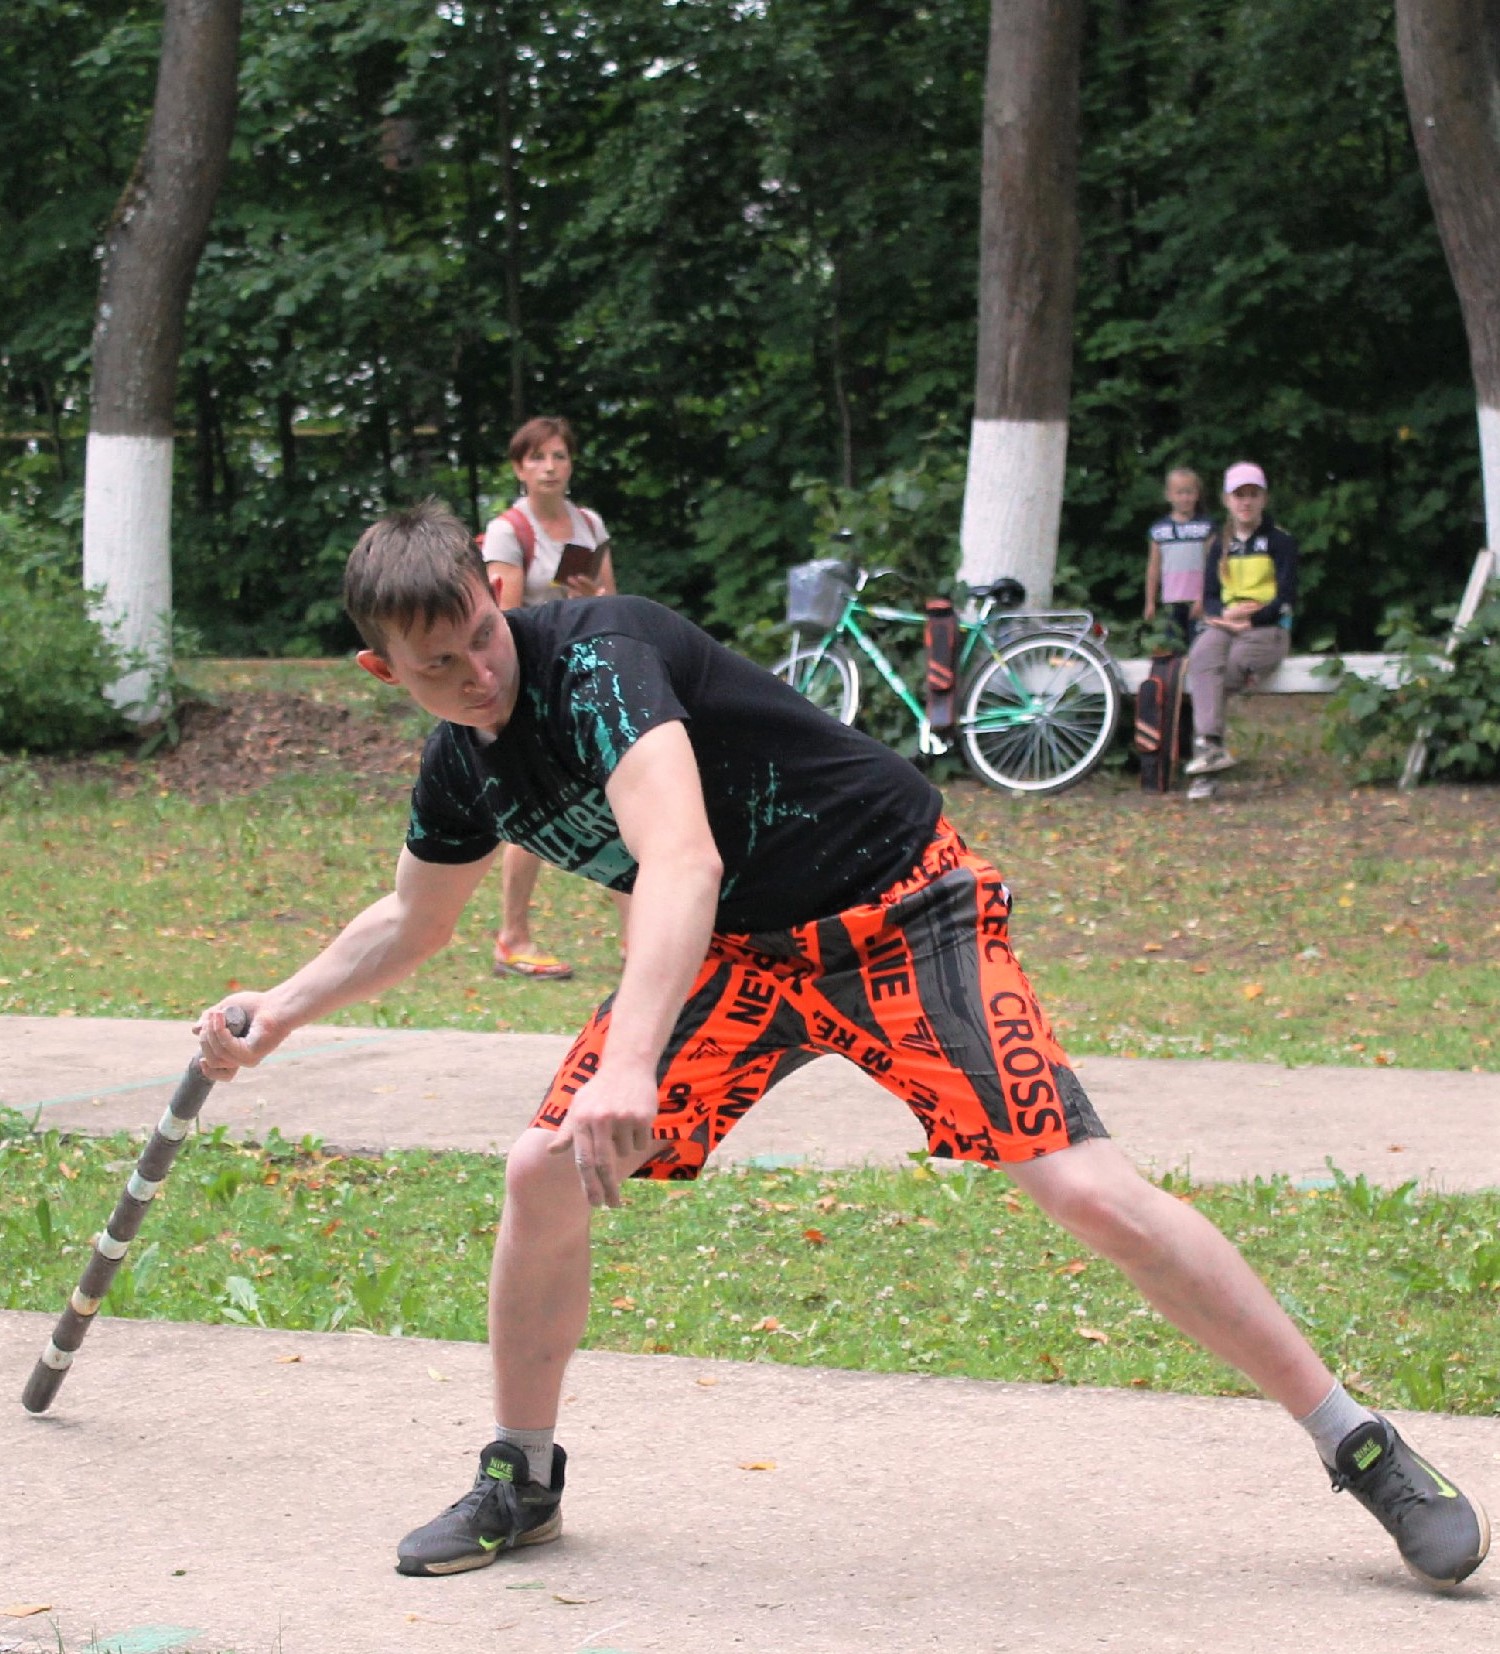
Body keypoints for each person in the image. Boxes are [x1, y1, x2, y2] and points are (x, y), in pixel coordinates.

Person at [195, 500, 1489, 1590]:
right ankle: (519, 1475)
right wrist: (286, 1004)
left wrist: (634, 1061)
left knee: (1084, 1186)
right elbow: (417, 918)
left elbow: (681, 855)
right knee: (540, 1166)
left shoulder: (601, 654)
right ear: (383, 672)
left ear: (494, 591)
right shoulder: (462, 769)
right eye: (436, 666)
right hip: (742, 957)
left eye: (480, 634)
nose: (476, 672)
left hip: (899, 905)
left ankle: (1357, 1440)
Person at [480, 416, 622, 981]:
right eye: (537, 458)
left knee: (617, 802)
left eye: (559, 456)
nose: (549, 468)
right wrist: (564, 600)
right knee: (536, 809)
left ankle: (641, 943)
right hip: (531, 682)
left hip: (586, 675)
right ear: (520, 467)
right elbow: (502, 617)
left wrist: (590, 596)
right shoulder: (507, 531)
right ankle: (512, 938)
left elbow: (614, 597)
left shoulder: (589, 523)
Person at [1183, 462, 1297, 783]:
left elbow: (1286, 596)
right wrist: (1225, 617)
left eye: (1252, 495)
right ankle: (1210, 748)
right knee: (1202, 658)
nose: (1245, 502)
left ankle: (1206, 757)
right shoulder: (1219, 544)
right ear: (1226, 500)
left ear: (1263, 499)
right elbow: (1209, 594)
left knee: (1227, 672)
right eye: (1238, 495)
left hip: (1267, 628)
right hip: (1226, 624)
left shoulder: (1281, 542)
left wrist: (1253, 617)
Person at [1143, 466, 1213, 650]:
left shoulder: (1206, 527)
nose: (1185, 498)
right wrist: (1150, 602)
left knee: (1200, 649)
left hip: (1198, 601)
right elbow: (1154, 568)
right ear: (1169, 495)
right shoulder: (1159, 531)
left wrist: (1202, 598)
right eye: (1179, 493)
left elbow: (1212, 566)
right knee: (1172, 650)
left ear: (1197, 494)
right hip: (1171, 602)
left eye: (1189, 492)